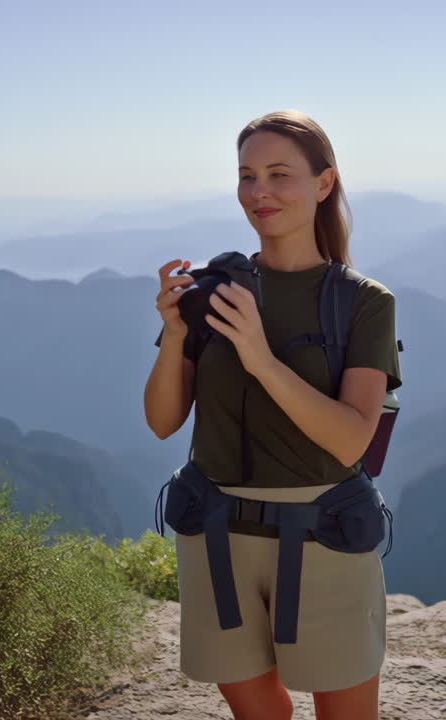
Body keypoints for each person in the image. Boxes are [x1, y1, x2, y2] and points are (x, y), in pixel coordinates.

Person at [143, 109, 402, 720]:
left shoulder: (362, 303)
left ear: (324, 183)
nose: (259, 192)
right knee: (256, 711)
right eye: (247, 175)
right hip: (214, 532)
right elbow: (161, 421)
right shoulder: (214, 290)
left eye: (279, 174)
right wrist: (175, 334)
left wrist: (259, 358)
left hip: (323, 535)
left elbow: (349, 441)